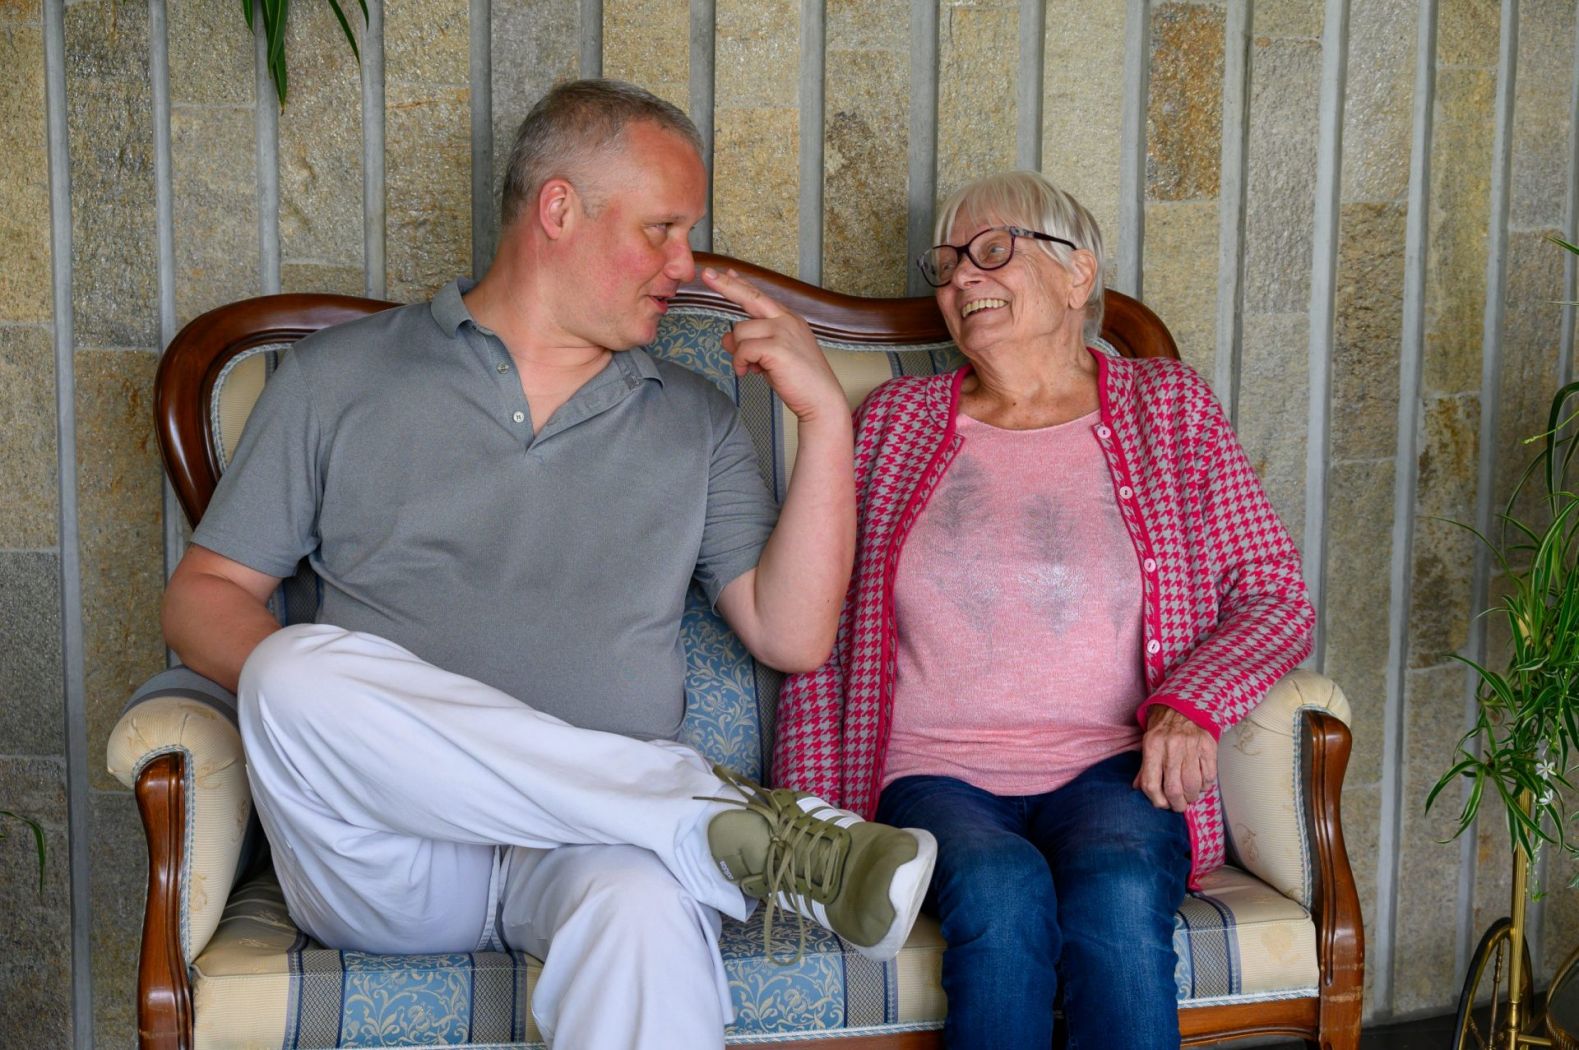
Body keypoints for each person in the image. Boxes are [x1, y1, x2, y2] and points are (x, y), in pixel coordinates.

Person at [160, 78, 936, 1050]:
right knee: (288, 671)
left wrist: (822, 417)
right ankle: (706, 814)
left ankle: (689, 821)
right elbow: (203, 597)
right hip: (385, 853)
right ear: (559, 209)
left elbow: (792, 634)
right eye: (661, 229)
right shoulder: (339, 379)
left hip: (600, 849)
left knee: (644, 911)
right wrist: (347, 712)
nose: (685, 265)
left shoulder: (694, 419)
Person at [772, 170, 1315, 1049]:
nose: (961, 277)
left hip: (1113, 771)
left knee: (1116, 893)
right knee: (999, 893)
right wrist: (810, 816)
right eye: (947, 263)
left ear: (1077, 273)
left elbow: (1273, 593)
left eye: (992, 251)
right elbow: (820, 627)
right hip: (933, 774)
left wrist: (1191, 703)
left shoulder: (1169, 408)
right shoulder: (894, 422)